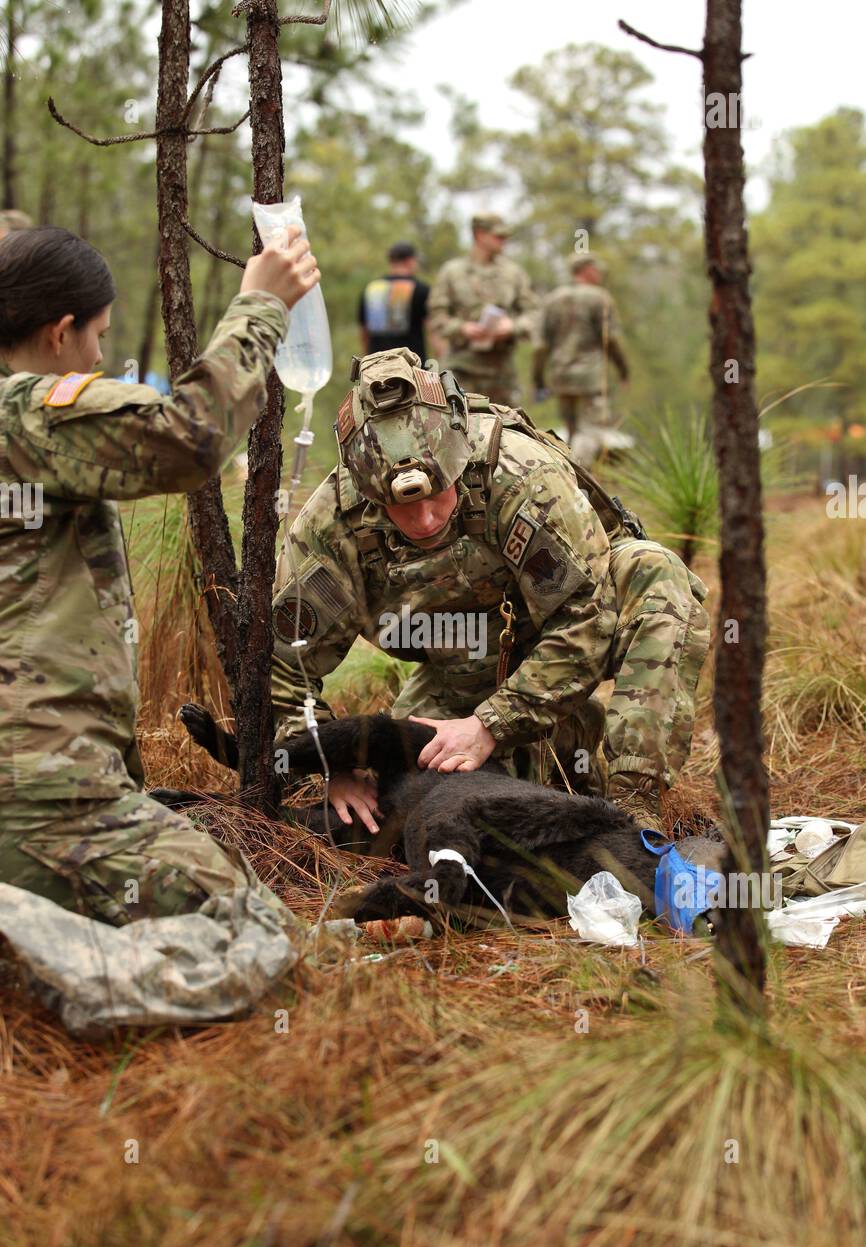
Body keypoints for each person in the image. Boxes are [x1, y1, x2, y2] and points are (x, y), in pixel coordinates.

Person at [0, 223, 319, 931]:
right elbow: (189, 438)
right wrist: (261, 306)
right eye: (100, 336)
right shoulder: (24, 414)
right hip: (44, 804)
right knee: (258, 936)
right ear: (59, 334)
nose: (102, 355)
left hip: (46, 789)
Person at [268, 348, 710, 836]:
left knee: (656, 573)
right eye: (401, 508)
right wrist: (333, 767)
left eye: (437, 495)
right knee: (421, 799)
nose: (425, 520)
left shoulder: (520, 474)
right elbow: (286, 662)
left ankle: (635, 808)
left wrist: (490, 725)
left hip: (566, 630)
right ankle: (569, 737)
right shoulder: (334, 523)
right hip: (463, 660)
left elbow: (587, 617)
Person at [427, 213, 538, 405]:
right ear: (479, 235)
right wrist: (462, 328)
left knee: (506, 429)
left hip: (502, 373)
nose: (504, 241)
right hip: (462, 368)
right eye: (498, 237)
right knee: (461, 428)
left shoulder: (513, 273)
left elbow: (534, 314)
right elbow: (436, 316)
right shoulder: (452, 272)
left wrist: (513, 326)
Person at [533, 251, 630, 465]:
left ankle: (563, 473)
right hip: (590, 377)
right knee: (591, 430)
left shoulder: (552, 300)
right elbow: (611, 339)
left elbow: (540, 345)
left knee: (571, 431)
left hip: (560, 376)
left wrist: (539, 381)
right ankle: (578, 478)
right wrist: (623, 370)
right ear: (587, 270)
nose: (599, 274)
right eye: (597, 270)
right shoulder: (600, 298)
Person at [358, 241, 430, 361]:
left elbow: (364, 332)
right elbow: (432, 329)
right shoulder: (421, 289)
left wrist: (367, 358)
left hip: (377, 366)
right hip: (412, 367)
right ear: (410, 261)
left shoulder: (371, 289)